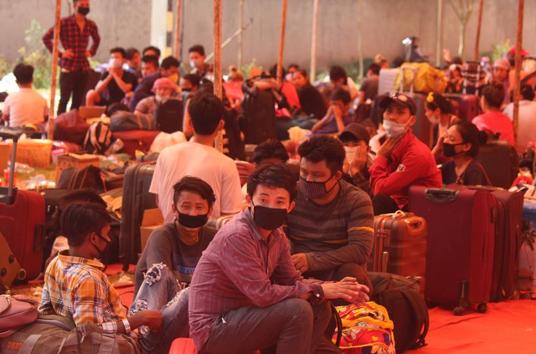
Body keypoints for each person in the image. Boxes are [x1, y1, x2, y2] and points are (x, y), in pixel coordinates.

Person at [189, 164, 370, 354]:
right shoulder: (237, 235)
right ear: (250, 200)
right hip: (215, 328)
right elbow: (262, 294)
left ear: (290, 206)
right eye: (264, 200)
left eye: (279, 202)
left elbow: (292, 280)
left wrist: (335, 288)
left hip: (247, 316)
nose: (271, 207)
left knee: (319, 306)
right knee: (298, 310)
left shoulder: (277, 235)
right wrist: (320, 289)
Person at [40, 202, 188, 354]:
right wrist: (139, 320)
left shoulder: (55, 263)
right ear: (93, 238)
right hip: (134, 343)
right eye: (106, 233)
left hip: (125, 323)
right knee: (188, 294)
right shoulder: (89, 278)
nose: (109, 239)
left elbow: (45, 310)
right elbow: (89, 336)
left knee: (160, 271)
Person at [287, 136, 374, 288]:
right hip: (293, 268)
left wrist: (312, 260)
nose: (308, 180)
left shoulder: (357, 200)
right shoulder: (289, 194)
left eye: (317, 175)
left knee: (352, 273)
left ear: (337, 176)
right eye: (304, 172)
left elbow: (359, 250)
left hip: (336, 272)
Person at [149, 90, 242, 222]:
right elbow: (230, 217)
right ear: (221, 125)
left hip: (169, 234)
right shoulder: (226, 164)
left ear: (191, 123)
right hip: (209, 240)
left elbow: (158, 200)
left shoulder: (165, 154)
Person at [135, 176, 216, 295]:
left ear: (209, 211)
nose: (192, 213)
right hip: (157, 308)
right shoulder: (161, 237)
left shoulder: (214, 237)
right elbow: (159, 285)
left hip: (197, 307)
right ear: (174, 208)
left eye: (199, 207)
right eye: (186, 206)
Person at [370, 94, 442, 214]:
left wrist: (380, 157)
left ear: (412, 120)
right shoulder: (389, 144)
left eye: (400, 112)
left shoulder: (417, 153)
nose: (392, 117)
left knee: (380, 200)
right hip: (400, 207)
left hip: (421, 214)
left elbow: (380, 190)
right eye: (388, 111)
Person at [42, 0, 100, 114]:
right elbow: (46, 38)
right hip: (68, 66)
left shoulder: (91, 24)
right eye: (82, 5)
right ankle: (60, 124)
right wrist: (60, 53)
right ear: (74, 6)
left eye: (87, 5)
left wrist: (91, 52)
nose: (85, 7)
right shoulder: (64, 22)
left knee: (78, 100)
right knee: (64, 99)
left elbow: (97, 39)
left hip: (83, 66)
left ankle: (73, 125)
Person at [440, 121, 491, 186]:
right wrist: (436, 150)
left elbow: (473, 195)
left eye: (452, 139)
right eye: (445, 137)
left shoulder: (474, 170)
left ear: (466, 146)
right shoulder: (448, 167)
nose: (445, 141)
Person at [1, 63, 48, 129]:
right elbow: (46, 118)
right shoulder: (42, 99)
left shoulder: (10, 98)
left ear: (16, 81)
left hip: (15, 136)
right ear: (32, 79)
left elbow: (5, 117)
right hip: (37, 136)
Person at [339, 123, 372, 195]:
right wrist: (344, 173)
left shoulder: (373, 167)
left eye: (355, 145)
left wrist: (355, 172)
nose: (350, 149)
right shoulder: (336, 167)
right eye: (346, 145)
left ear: (368, 149)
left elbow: (372, 198)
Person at [425, 92, 459, 157]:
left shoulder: (455, 123)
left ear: (437, 111)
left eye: (427, 111)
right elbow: (434, 148)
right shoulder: (435, 127)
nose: (426, 114)